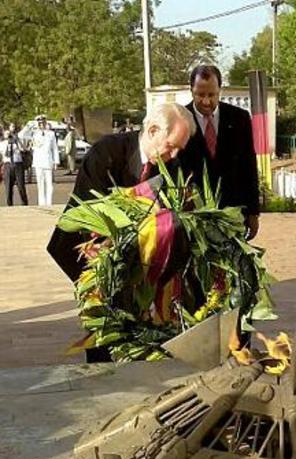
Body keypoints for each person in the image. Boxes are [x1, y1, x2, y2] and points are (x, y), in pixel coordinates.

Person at [47, 102, 196, 361]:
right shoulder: (107, 153)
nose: (173, 155)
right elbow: (90, 214)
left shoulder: (173, 164)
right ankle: (101, 377)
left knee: (141, 330)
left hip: (141, 260)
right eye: (171, 146)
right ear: (151, 130)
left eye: (179, 149)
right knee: (104, 328)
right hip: (90, 250)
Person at [179, 64, 260, 240]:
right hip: (194, 215)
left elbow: (249, 165)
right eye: (200, 95)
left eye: (212, 95)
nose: (206, 101)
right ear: (191, 90)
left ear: (220, 90)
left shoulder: (240, 118)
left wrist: (253, 212)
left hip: (232, 213)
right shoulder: (180, 120)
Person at [32, 116, 60, 206]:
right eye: (39, 123)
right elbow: (22, 135)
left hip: (48, 161)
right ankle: (41, 203)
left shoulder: (51, 134)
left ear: (45, 123)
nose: (41, 125)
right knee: (40, 183)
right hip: (38, 161)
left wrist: (56, 161)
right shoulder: (34, 133)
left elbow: (54, 148)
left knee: (49, 184)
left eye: (43, 123)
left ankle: (49, 202)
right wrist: (32, 125)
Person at [0, 123, 28, 206]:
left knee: (21, 186)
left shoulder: (17, 142)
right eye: (7, 134)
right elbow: (3, 154)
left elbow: (24, 149)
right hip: (7, 165)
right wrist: (6, 141)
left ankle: (24, 203)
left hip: (18, 164)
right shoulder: (2, 144)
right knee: (8, 187)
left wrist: (17, 140)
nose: (9, 136)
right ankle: (9, 204)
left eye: (10, 134)